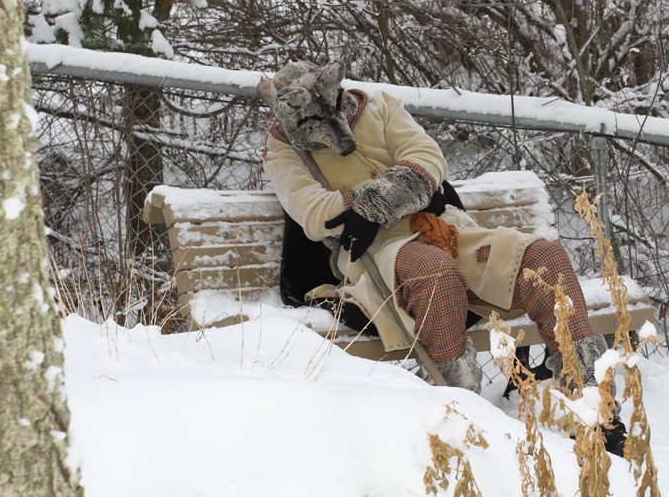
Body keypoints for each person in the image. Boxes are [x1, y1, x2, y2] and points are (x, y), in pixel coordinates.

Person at [258, 60, 626, 454]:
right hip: (377, 252)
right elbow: (315, 214)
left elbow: (428, 159)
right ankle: (458, 417)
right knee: (435, 272)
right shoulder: (282, 147)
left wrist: (371, 205)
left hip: (446, 229)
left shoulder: (380, 106)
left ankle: (596, 409)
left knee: (544, 258)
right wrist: (407, 187)